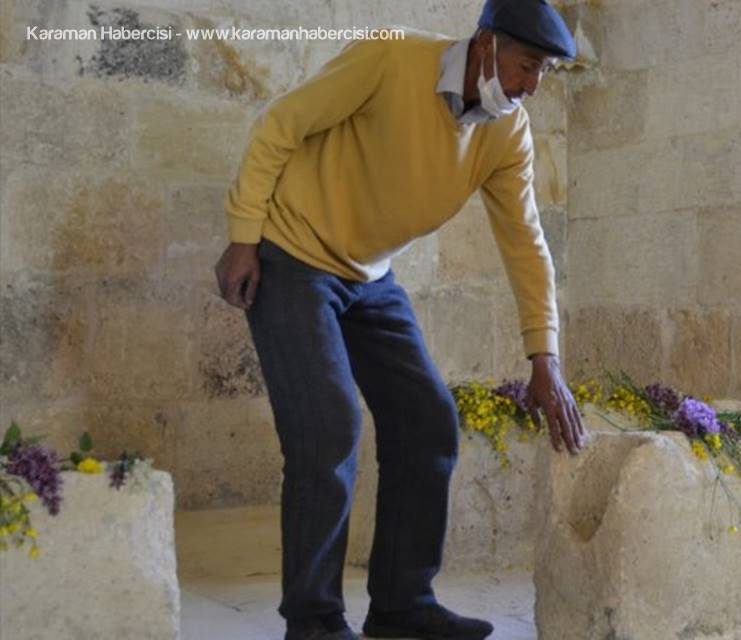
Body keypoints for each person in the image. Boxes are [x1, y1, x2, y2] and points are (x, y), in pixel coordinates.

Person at [212, 2, 586, 638]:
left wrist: (543, 356)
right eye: (527, 65)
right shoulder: (390, 57)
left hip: (369, 276)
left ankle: (401, 606)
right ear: (486, 44)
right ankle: (314, 620)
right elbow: (280, 123)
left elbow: (526, 242)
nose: (532, 85)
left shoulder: (507, 132)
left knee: (427, 420)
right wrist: (244, 235)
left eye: (544, 72)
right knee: (328, 426)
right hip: (292, 253)